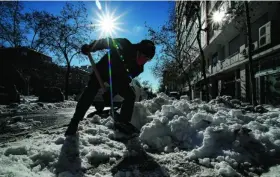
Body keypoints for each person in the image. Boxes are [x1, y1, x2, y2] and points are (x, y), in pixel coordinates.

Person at [65, 38, 156, 136]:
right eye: (144, 57)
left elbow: (126, 80)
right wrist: (91, 47)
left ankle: (123, 122)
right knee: (90, 91)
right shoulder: (124, 44)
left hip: (117, 79)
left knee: (130, 95)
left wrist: (112, 93)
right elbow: (105, 42)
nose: (145, 61)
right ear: (139, 51)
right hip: (102, 70)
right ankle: (75, 122)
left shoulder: (138, 68)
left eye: (148, 60)